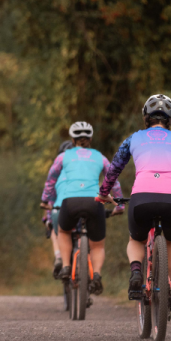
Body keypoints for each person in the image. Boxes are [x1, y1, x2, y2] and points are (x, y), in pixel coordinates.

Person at [97, 95, 171, 312]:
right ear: (169, 118)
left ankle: (136, 272)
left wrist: (104, 193)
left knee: (136, 239)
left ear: (146, 117)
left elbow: (114, 169)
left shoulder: (133, 138)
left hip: (141, 200)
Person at [40, 122, 123, 296]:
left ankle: (65, 266)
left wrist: (45, 200)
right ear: (90, 139)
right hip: (95, 201)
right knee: (97, 245)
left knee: (63, 232)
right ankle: (97, 275)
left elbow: (51, 179)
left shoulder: (63, 156)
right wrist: (119, 205)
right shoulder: (100, 157)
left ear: (73, 139)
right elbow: (113, 181)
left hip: (70, 202)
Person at [43, 140, 74, 278]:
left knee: (56, 232)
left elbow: (50, 199)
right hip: (85, 205)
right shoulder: (83, 168)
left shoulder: (57, 173)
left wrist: (47, 220)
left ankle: (59, 257)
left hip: (60, 209)